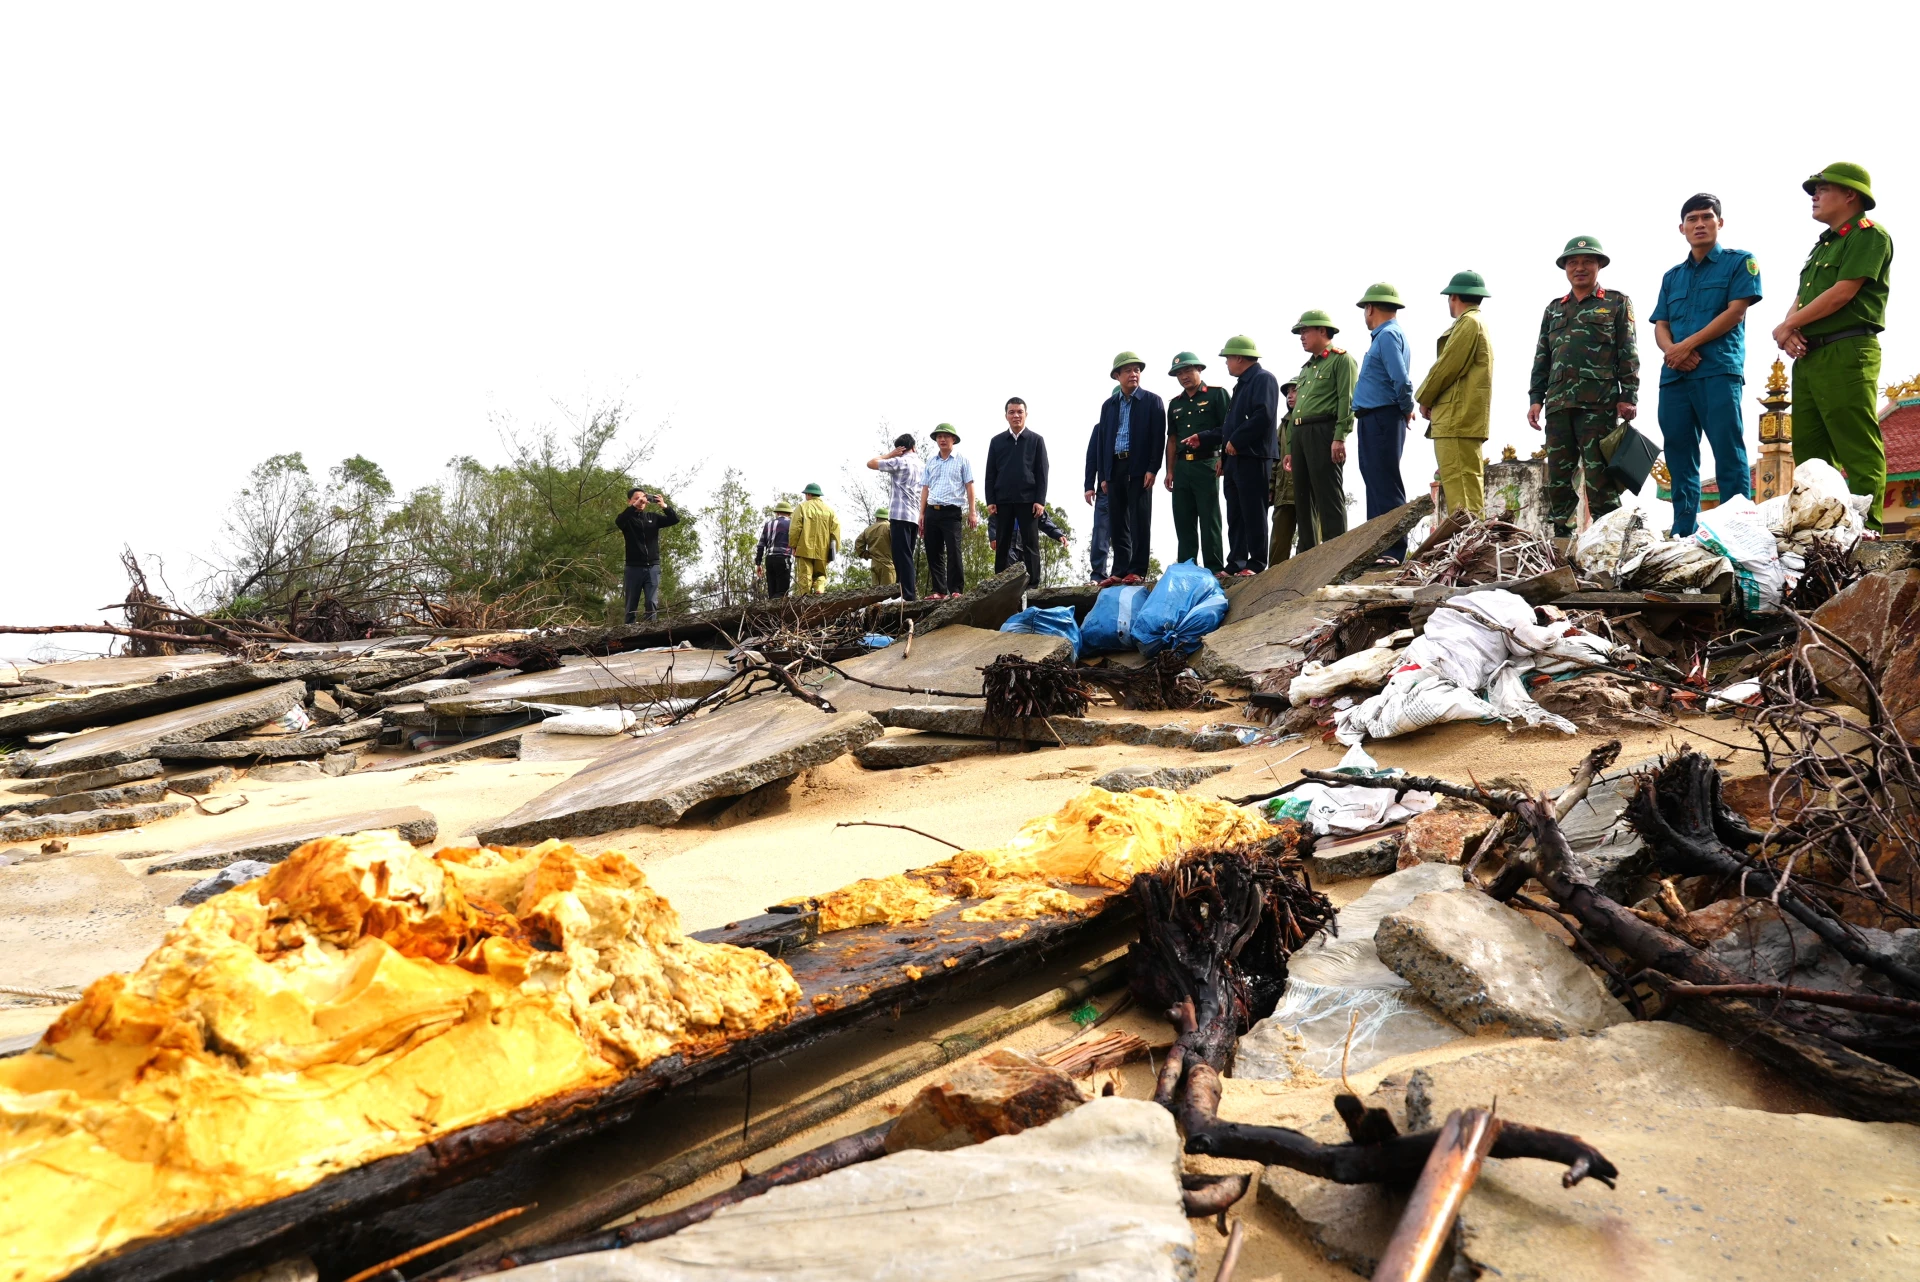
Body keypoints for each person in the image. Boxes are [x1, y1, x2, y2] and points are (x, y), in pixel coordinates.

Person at [1772, 162, 1894, 531]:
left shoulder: (1868, 235)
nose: (1815, 196)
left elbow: (1841, 293)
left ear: (1850, 194)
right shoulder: (1822, 245)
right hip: (1809, 354)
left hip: (1847, 349)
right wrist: (1790, 331)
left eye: (1822, 189)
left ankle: (1867, 526)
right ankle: (1819, 529)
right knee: (1808, 451)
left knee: (1854, 442)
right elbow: (1804, 296)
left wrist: (1787, 325)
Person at [1652, 194, 1763, 537]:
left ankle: (1737, 529)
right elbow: (1661, 324)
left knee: (1727, 449)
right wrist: (1673, 351)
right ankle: (1684, 530)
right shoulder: (1672, 277)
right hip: (1675, 377)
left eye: (1706, 217)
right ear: (1681, 228)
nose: (1699, 224)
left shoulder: (1739, 262)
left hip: (1717, 371)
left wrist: (1688, 345)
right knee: (1679, 455)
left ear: (1720, 222)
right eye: (1692, 219)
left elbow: (1736, 311)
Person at [1528, 239, 1639, 537]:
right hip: (1559, 404)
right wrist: (1535, 399)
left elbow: (1627, 352)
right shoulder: (1553, 309)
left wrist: (1628, 396)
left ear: (1599, 265)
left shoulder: (1616, 302)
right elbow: (1542, 358)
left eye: (1587, 261)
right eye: (1572, 262)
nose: (1579, 268)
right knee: (1559, 477)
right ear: (1565, 268)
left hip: (1599, 405)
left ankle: (1610, 541)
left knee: (1600, 476)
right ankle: (1562, 539)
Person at [1418, 271, 1495, 518]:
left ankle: (1471, 547)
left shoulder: (1469, 323)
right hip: (1460, 418)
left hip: (1456, 419)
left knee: (1462, 494)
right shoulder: (1475, 323)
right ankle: (1471, 544)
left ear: (1453, 297)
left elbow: (1446, 367)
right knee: (1464, 490)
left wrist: (1424, 397)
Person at [1086, 352, 1166, 582]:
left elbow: (1157, 438)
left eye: (1137, 370)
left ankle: (1137, 570)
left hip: (1139, 467)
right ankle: (1120, 569)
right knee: (1117, 520)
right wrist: (1103, 475)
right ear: (1117, 376)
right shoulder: (1108, 405)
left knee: (1139, 519)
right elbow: (1103, 442)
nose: (1133, 374)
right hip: (1114, 467)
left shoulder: (1152, 401)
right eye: (1128, 370)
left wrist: (1153, 468)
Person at [1352, 283, 1416, 563]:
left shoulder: (1388, 335)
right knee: (1376, 482)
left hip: (1382, 416)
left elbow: (1401, 380)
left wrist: (1406, 407)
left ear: (1370, 308)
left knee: (1385, 483)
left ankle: (1392, 550)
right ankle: (1378, 548)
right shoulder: (1385, 336)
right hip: (1375, 417)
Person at [1288, 311, 1358, 553]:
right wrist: (1289, 448)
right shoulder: (1306, 368)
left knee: (1328, 494)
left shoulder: (1341, 360)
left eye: (1304, 331)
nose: (1301, 337)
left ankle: (1335, 550)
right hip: (1299, 433)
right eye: (1299, 332)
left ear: (1322, 331)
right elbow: (1297, 409)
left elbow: (1346, 401)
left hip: (1323, 430)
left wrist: (1340, 436)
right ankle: (1306, 551)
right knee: (1302, 496)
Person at [1216, 334, 1279, 575]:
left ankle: (1256, 563)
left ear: (1239, 357)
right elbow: (1230, 426)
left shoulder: (1263, 379)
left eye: (1228, 358)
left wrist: (1237, 440)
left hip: (1253, 456)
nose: (1226, 363)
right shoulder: (1241, 384)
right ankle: (1236, 562)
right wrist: (1219, 447)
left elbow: (1262, 416)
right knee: (1236, 514)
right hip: (1234, 459)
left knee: (1253, 511)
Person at [1164, 351, 1230, 572]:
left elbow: (1228, 429)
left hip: (1207, 464)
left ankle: (1215, 567)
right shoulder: (1174, 404)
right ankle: (1186, 568)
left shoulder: (1216, 395)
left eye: (1188, 371)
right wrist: (1170, 470)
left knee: (1209, 518)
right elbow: (1172, 440)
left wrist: (1224, 459)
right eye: (1179, 373)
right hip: (1182, 467)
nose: (1184, 376)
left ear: (1199, 369)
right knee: (1183, 519)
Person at [984, 396, 1051, 585]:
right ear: (1006, 416)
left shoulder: (1036, 440)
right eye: (1012, 412)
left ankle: (1033, 584)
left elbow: (1042, 472)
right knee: (1002, 543)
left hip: (1028, 500)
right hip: (1003, 500)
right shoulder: (996, 441)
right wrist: (990, 500)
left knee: (1031, 544)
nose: (1016, 416)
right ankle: (1000, 584)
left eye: (1020, 412)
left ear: (1026, 414)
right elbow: (990, 473)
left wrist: (1040, 500)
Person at [919, 424, 976, 597]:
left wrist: (972, 511)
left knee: (954, 551)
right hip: (932, 510)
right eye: (939, 437)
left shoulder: (962, 460)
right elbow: (925, 488)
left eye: (946, 436)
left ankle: (956, 589)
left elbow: (969, 486)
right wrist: (921, 514)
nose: (942, 439)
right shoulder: (931, 461)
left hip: (952, 512)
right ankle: (939, 590)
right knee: (933, 552)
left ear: (953, 439)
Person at [866, 432, 925, 599]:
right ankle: (904, 591)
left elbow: (871, 463)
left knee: (901, 556)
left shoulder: (900, 461)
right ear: (914, 446)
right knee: (908, 554)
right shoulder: (923, 465)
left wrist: (890, 455)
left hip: (900, 515)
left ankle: (907, 595)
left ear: (900, 449)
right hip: (915, 516)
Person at [615, 488, 679, 623]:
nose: (641, 501)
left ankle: (651, 632)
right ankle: (628, 633)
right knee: (631, 604)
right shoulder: (627, 519)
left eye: (643, 498)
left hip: (652, 567)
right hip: (633, 568)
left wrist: (664, 506)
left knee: (651, 602)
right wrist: (634, 506)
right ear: (629, 501)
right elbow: (619, 521)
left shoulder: (652, 518)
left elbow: (674, 520)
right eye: (637, 498)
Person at [1269, 376, 1300, 566]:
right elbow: (1275, 460)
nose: (1289, 395)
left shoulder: (1314, 420)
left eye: (1294, 390)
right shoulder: (1282, 425)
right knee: (1278, 544)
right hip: (1283, 492)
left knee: (1309, 543)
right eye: (1287, 392)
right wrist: (1271, 487)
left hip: (1308, 491)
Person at [788, 482, 840, 595]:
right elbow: (835, 533)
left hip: (804, 548)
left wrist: (793, 545)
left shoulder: (802, 507)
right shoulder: (830, 511)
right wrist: (833, 553)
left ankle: (804, 603)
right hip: (823, 550)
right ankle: (819, 590)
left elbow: (795, 528)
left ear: (808, 495)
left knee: (805, 577)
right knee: (821, 575)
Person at [1083, 401, 1112, 581]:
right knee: (1101, 531)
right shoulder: (1100, 428)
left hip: (1129, 487)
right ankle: (1098, 573)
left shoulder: (1135, 426)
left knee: (1128, 532)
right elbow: (1091, 458)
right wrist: (1088, 486)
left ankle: (1125, 572)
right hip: (1104, 490)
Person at [754, 500, 795, 599]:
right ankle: (780, 614)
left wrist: (758, 563)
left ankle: (771, 613)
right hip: (783, 559)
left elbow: (760, 545)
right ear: (789, 513)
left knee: (772, 592)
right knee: (782, 592)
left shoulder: (768, 524)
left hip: (769, 560)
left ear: (777, 513)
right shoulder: (791, 524)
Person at [854, 506, 895, 586]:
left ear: (877, 518)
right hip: (888, 566)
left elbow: (858, 544)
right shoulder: (890, 527)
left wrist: (867, 555)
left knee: (875, 594)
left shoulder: (868, 529)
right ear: (888, 518)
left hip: (874, 565)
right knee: (889, 594)